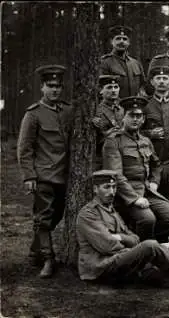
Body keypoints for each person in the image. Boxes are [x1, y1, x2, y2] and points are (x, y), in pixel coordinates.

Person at [76, 170, 169, 285]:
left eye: (114, 187)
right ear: (95, 189)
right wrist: (130, 249)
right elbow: (107, 245)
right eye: (107, 187)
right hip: (100, 268)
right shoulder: (88, 213)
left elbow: (135, 239)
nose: (112, 192)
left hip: (119, 261)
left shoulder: (112, 211)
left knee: (158, 273)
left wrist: (119, 237)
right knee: (150, 246)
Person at [17, 64, 74, 278]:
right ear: (42, 87)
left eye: (58, 86)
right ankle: (48, 258)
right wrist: (29, 176)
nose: (55, 90)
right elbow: (24, 149)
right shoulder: (33, 114)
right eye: (50, 86)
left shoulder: (69, 111)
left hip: (65, 175)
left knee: (55, 215)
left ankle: (34, 251)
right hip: (44, 175)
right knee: (44, 216)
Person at [102, 96, 169, 241]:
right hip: (125, 194)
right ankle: (142, 251)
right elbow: (115, 174)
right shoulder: (113, 141)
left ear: (143, 119)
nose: (135, 119)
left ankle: (144, 241)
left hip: (147, 190)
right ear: (123, 118)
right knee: (148, 219)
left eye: (139, 116)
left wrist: (155, 182)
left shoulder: (145, 141)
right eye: (131, 115)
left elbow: (156, 165)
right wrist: (135, 198)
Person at [99, 26, 146, 98]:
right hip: (115, 106)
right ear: (111, 41)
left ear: (129, 42)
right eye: (118, 39)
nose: (122, 41)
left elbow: (142, 86)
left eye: (124, 39)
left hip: (134, 106)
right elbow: (100, 88)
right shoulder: (105, 62)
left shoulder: (136, 63)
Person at [91, 75, 124, 169]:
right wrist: (107, 134)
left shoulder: (122, 109)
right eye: (109, 87)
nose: (113, 90)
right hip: (103, 157)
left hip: (123, 154)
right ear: (101, 90)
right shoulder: (96, 111)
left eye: (116, 87)